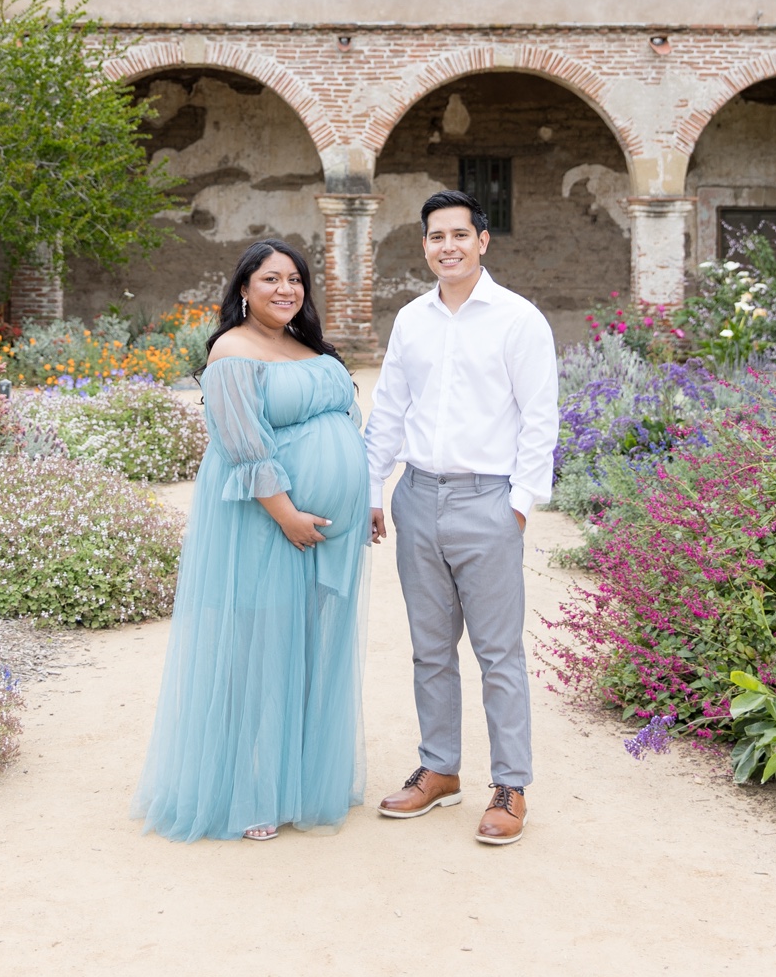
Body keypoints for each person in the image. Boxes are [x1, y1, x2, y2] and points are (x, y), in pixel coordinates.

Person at [132, 240, 372, 842]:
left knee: (309, 653)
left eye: (295, 279)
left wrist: (358, 495)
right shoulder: (231, 351)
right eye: (271, 279)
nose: (286, 289)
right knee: (257, 654)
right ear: (244, 288)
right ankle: (248, 792)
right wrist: (287, 513)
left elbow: (344, 421)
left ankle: (297, 781)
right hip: (266, 529)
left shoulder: (307, 347)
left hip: (326, 535)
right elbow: (243, 444)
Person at [364, 190, 559, 846]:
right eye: (434, 236)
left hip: (487, 501)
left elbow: (540, 418)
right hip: (418, 497)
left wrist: (519, 506)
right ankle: (439, 769)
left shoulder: (517, 319)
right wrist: (373, 488)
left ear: (483, 241)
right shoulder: (412, 321)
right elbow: (389, 409)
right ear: (424, 246)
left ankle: (511, 785)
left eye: (458, 234)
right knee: (429, 648)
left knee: (498, 651)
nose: (446, 245)